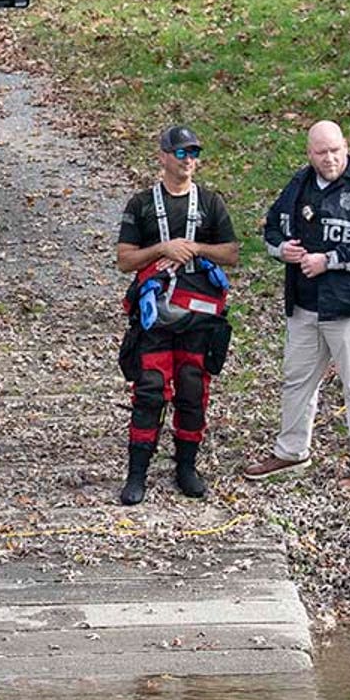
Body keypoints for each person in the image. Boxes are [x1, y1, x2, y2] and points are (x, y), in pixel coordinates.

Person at [242, 120, 350, 493]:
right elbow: (271, 230)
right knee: (297, 381)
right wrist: (284, 251)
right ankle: (292, 451)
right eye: (321, 152)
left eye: (335, 151)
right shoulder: (299, 186)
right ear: (309, 154)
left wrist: (331, 259)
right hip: (306, 304)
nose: (329, 159)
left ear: (346, 147)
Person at [114, 125, 240, 504]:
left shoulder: (211, 203)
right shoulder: (141, 204)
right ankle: (137, 474)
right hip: (155, 314)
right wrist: (162, 249)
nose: (189, 161)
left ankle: (186, 467)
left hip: (199, 314)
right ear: (163, 157)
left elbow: (231, 253)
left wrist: (196, 248)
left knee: (191, 387)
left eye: (194, 153)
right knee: (150, 390)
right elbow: (124, 260)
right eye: (182, 153)